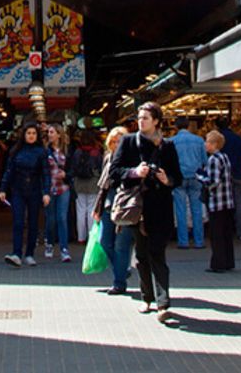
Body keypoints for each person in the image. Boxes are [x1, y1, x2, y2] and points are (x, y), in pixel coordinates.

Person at [110, 102, 183, 321]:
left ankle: (163, 303)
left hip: (160, 205)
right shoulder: (129, 141)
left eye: (146, 118)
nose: (141, 121)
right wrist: (134, 172)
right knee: (141, 255)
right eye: (140, 118)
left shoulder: (167, 145)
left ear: (157, 121)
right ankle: (147, 297)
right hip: (137, 207)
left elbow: (177, 176)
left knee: (157, 252)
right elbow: (114, 171)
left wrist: (166, 178)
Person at [0, 123, 51, 267]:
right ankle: (16, 253)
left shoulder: (41, 152)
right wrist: (3, 189)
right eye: (28, 133)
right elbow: (9, 171)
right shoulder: (15, 151)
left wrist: (46, 192)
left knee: (33, 222)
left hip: (34, 190)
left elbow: (46, 173)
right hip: (18, 190)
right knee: (18, 221)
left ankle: (29, 253)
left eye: (34, 133)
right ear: (24, 135)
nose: (31, 136)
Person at [92, 126, 134, 296]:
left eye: (120, 141)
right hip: (109, 204)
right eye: (114, 141)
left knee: (121, 245)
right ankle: (122, 269)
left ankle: (119, 282)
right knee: (105, 242)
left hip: (125, 205)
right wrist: (98, 208)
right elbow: (103, 186)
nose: (117, 144)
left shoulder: (132, 159)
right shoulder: (108, 158)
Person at [197, 130, 235, 272]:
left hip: (217, 202)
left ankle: (218, 264)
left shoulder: (213, 160)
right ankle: (228, 261)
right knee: (226, 234)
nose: (205, 144)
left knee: (216, 235)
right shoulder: (225, 157)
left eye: (207, 141)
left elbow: (213, 182)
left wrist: (200, 177)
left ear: (214, 144)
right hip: (228, 201)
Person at [170, 115, 207, 249]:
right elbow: (205, 161)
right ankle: (199, 241)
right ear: (188, 125)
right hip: (196, 177)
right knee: (196, 209)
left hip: (179, 177)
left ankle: (183, 241)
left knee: (181, 210)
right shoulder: (199, 140)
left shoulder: (171, 141)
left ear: (176, 126)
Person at [43, 123, 73, 261]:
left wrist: (66, 174)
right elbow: (42, 170)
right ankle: (49, 243)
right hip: (50, 188)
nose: (50, 135)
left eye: (52, 132)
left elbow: (73, 169)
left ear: (59, 134)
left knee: (62, 218)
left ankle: (64, 248)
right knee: (51, 219)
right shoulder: (45, 151)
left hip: (63, 188)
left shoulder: (67, 151)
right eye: (49, 132)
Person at [217, 118, 241, 240]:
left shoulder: (218, 140)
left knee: (224, 204)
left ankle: (226, 231)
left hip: (222, 175)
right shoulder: (238, 138)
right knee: (239, 203)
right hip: (237, 174)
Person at [70, 131, 102, 245]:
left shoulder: (77, 152)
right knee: (91, 210)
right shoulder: (96, 153)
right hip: (93, 183)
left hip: (79, 183)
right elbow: (100, 167)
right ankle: (91, 236)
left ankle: (80, 237)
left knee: (80, 210)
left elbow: (73, 167)